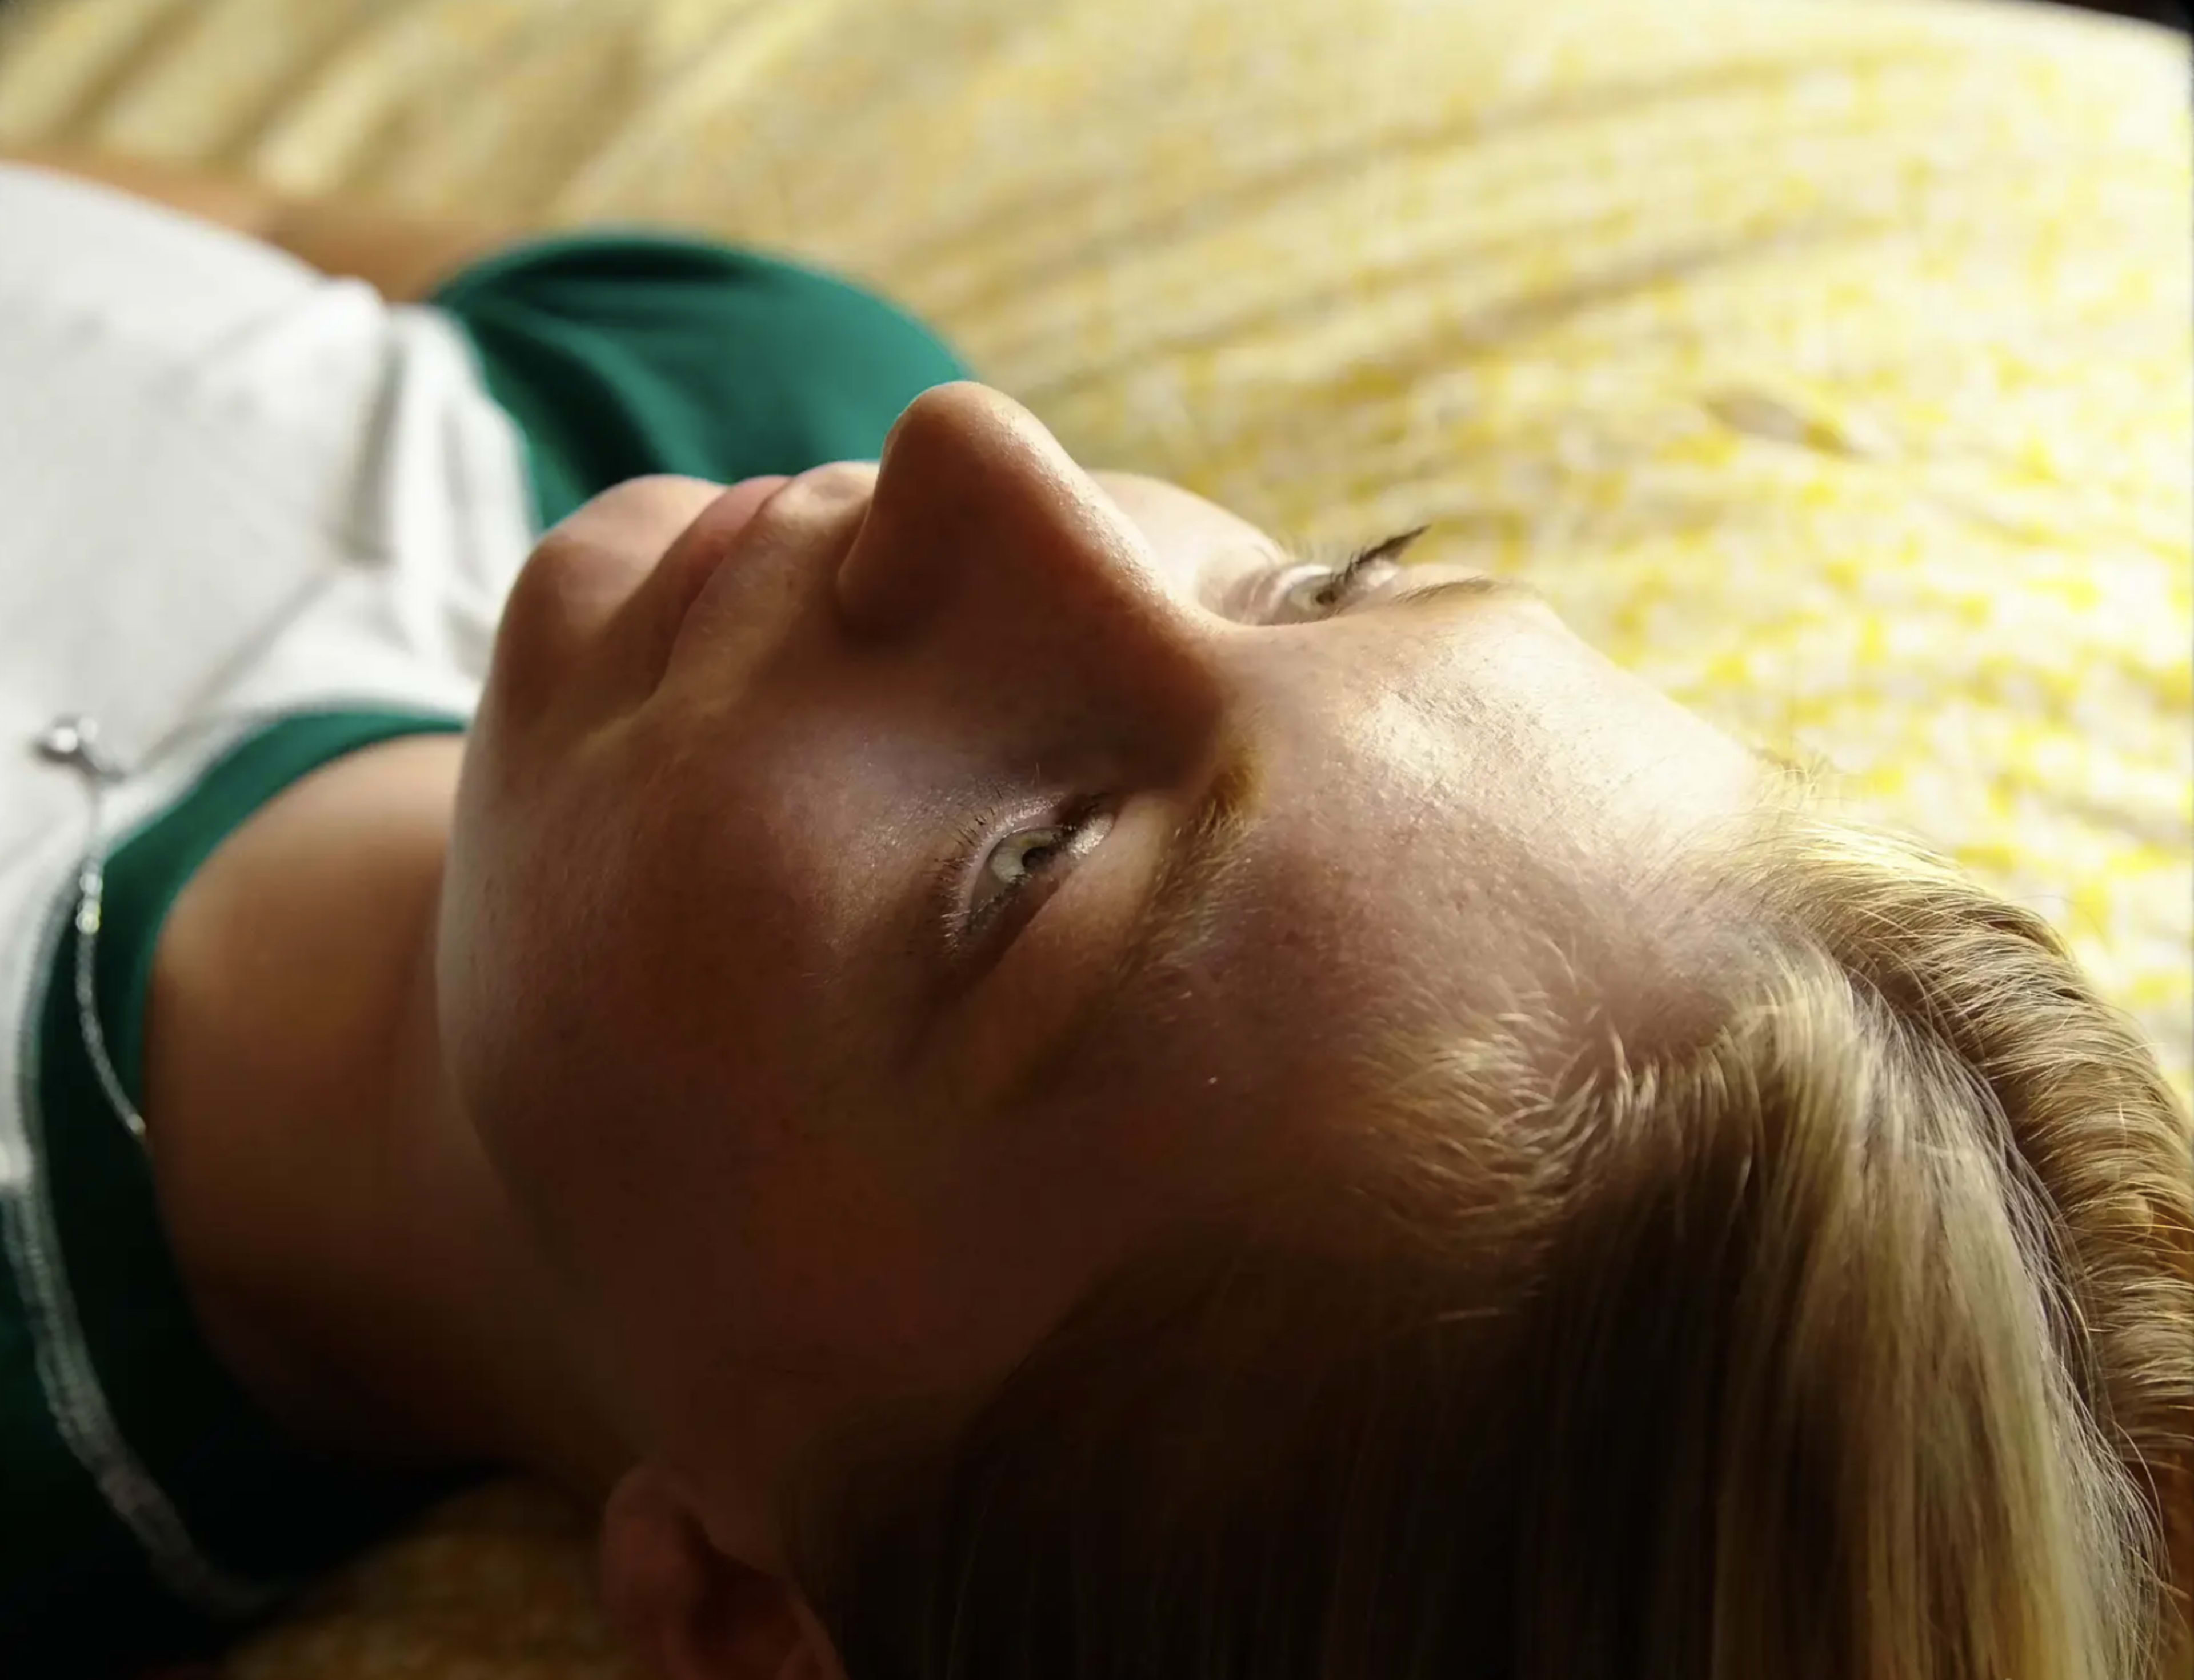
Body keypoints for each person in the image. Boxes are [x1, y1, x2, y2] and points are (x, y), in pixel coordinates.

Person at [0, 149, 2187, 1680]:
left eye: (1026, 865)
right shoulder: (714, 409)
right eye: (1328, 584)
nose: (978, 455)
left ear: (760, 1630)